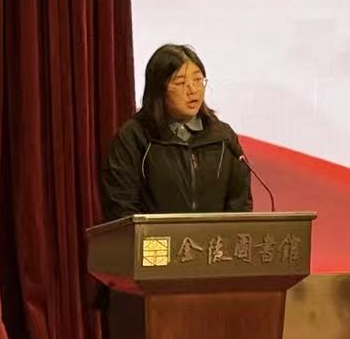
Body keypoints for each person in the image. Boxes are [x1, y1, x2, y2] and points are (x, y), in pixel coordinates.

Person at [101, 43, 252, 219]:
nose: (193, 90)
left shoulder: (223, 137)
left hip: (215, 237)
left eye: (198, 80)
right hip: (155, 237)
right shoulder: (134, 137)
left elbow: (240, 203)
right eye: (180, 83)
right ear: (159, 90)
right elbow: (121, 205)